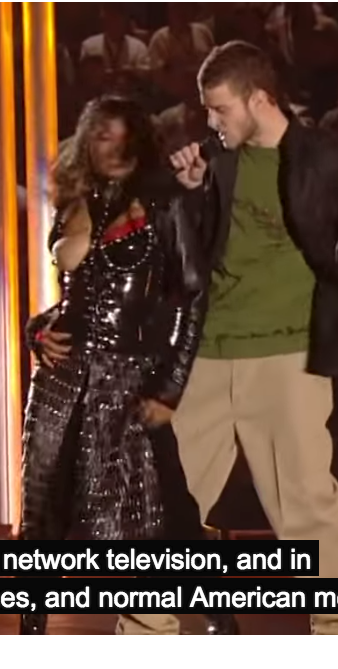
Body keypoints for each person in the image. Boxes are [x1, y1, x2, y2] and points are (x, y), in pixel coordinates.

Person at [125, 41, 338, 636]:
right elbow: (174, 249)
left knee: (307, 502)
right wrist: (186, 191)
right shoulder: (214, 160)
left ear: (259, 99)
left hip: (288, 355)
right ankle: (142, 637)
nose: (211, 121)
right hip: (206, 356)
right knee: (164, 501)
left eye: (220, 109)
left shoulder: (325, 158)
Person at [20, 95, 236, 636]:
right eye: (98, 133)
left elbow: (191, 297)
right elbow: (76, 295)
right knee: (45, 505)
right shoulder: (75, 200)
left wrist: (170, 388)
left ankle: (219, 618)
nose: (107, 143)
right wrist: (35, 331)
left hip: (130, 376)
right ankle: (31, 628)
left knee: (167, 509)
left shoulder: (163, 203)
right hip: (62, 380)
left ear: (136, 139)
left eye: (117, 133)